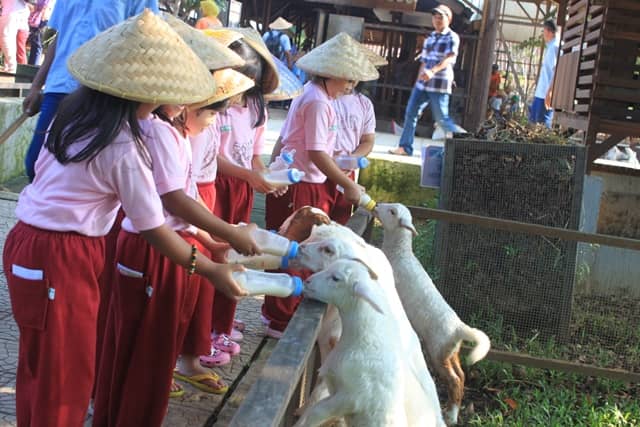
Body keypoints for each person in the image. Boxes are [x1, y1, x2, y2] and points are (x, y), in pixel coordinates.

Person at [2, 10, 245, 427]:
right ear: (145, 95)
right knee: (64, 379)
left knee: (43, 365)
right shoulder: (123, 147)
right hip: (61, 253)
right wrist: (208, 269)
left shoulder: (74, 117)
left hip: (31, 241)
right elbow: (154, 228)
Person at [262, 32, 378, 337]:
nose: (350, 86)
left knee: (297, 246)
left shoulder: (322, 97)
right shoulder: (317, 101)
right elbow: (316, 152)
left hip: (308, 179)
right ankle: (280, 317)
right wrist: (347, 184)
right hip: (302, 181)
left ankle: (281, 311)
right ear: (331, 74)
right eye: (347, 79)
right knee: (293, 248)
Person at [22, 0, 159, 182]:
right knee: (35, 162)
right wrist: (36, 86)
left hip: (103, 91)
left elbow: (147, 38)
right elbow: (59, 37)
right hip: (60, 84)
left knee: (86, 168)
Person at [209, 27, 281, 355]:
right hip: (220, 184)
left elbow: (254, 155)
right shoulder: (217, 105)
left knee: (237, 251)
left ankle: (224, 318)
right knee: (218, 250)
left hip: (243, 187)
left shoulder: (256, 108)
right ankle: (210, 326)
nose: (243, 87)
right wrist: (251, 176)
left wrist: (266, 177)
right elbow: (216, 160)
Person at [389, 4, 460, 156]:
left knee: (442, 119)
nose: (437, 19)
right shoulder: (430, 38)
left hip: (439, 85)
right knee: (411, 113)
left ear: (449, 19)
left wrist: (433, 71)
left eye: (441, 17)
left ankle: (463, 144)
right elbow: (424, 62)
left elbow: (450, 58)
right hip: (423, 85)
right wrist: (417, 83)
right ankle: (405, 147)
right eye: (435, 17)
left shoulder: (452, 37)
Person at [529, 19, 559, 128]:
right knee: (534, 123)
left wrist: (549, 93)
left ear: (549, 31)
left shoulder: (554, 48)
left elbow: (556, 71)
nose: (543, 34)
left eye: (544, 31)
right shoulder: (551, 47)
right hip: (541, 93)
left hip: (545, 94)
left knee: (542, 126)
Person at [0, 0, 29, 73]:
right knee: (11, 40)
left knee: (6, 39)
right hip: (18, 10)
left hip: (12, 11)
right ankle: (10, 67)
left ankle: (12, 67)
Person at [26, 0, 53, 65]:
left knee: (37, 45)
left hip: (41, 21)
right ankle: (31, 67)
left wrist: (30, 3)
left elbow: (43, 6)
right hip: (35, 20)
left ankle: (32, 68)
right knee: (35, 45)